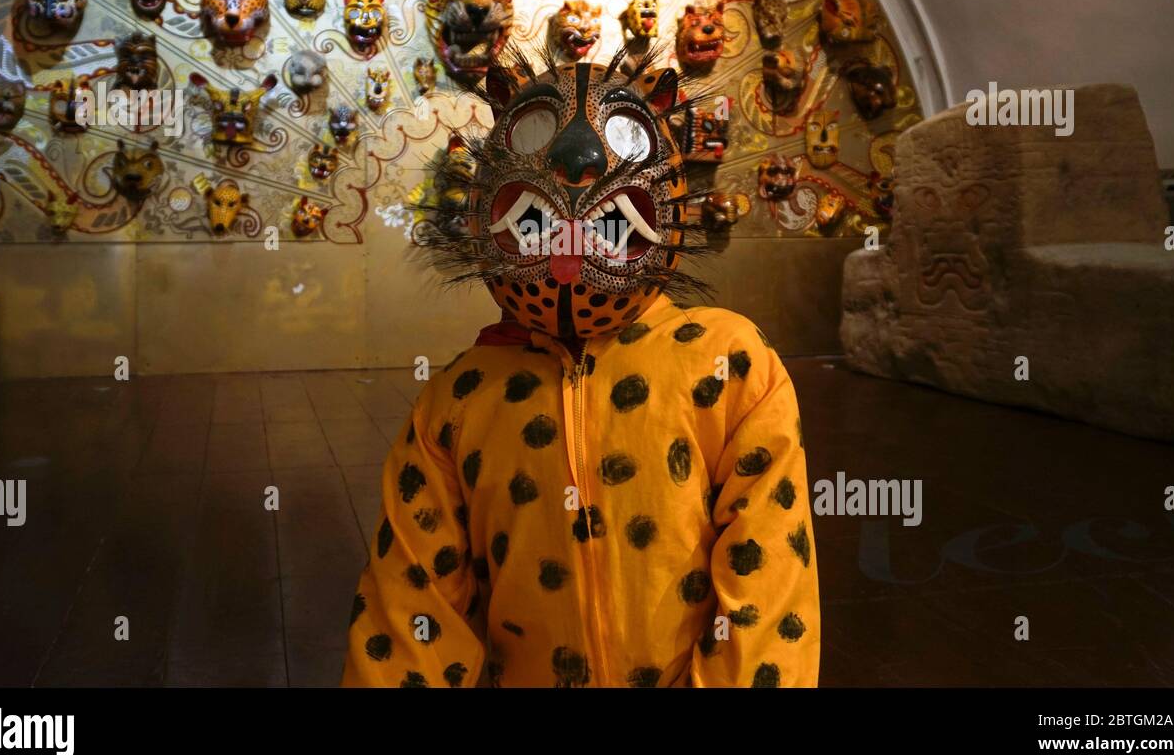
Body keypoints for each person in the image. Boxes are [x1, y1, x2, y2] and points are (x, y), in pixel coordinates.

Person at [342, 50, 819, 687]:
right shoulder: (460, 397)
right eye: (537, 222)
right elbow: (409, 611)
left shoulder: (730, 364)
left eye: (610, 224)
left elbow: (768, 594)